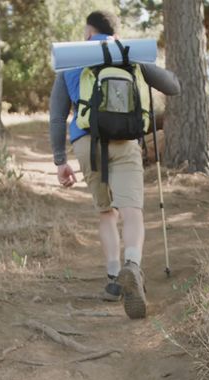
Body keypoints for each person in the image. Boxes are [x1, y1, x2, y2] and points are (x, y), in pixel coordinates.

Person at [49, 10, 180, 319]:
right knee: (132, 211)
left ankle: (112, 280)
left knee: (107, 213)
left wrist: (59, 160)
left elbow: (57, 116)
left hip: (86, 143)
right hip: (126, 142)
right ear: (114, 31)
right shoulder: (128, 54)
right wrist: (137, 60)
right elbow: (173, 87)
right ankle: (132, 265)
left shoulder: (73, 58)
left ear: (89, 31)